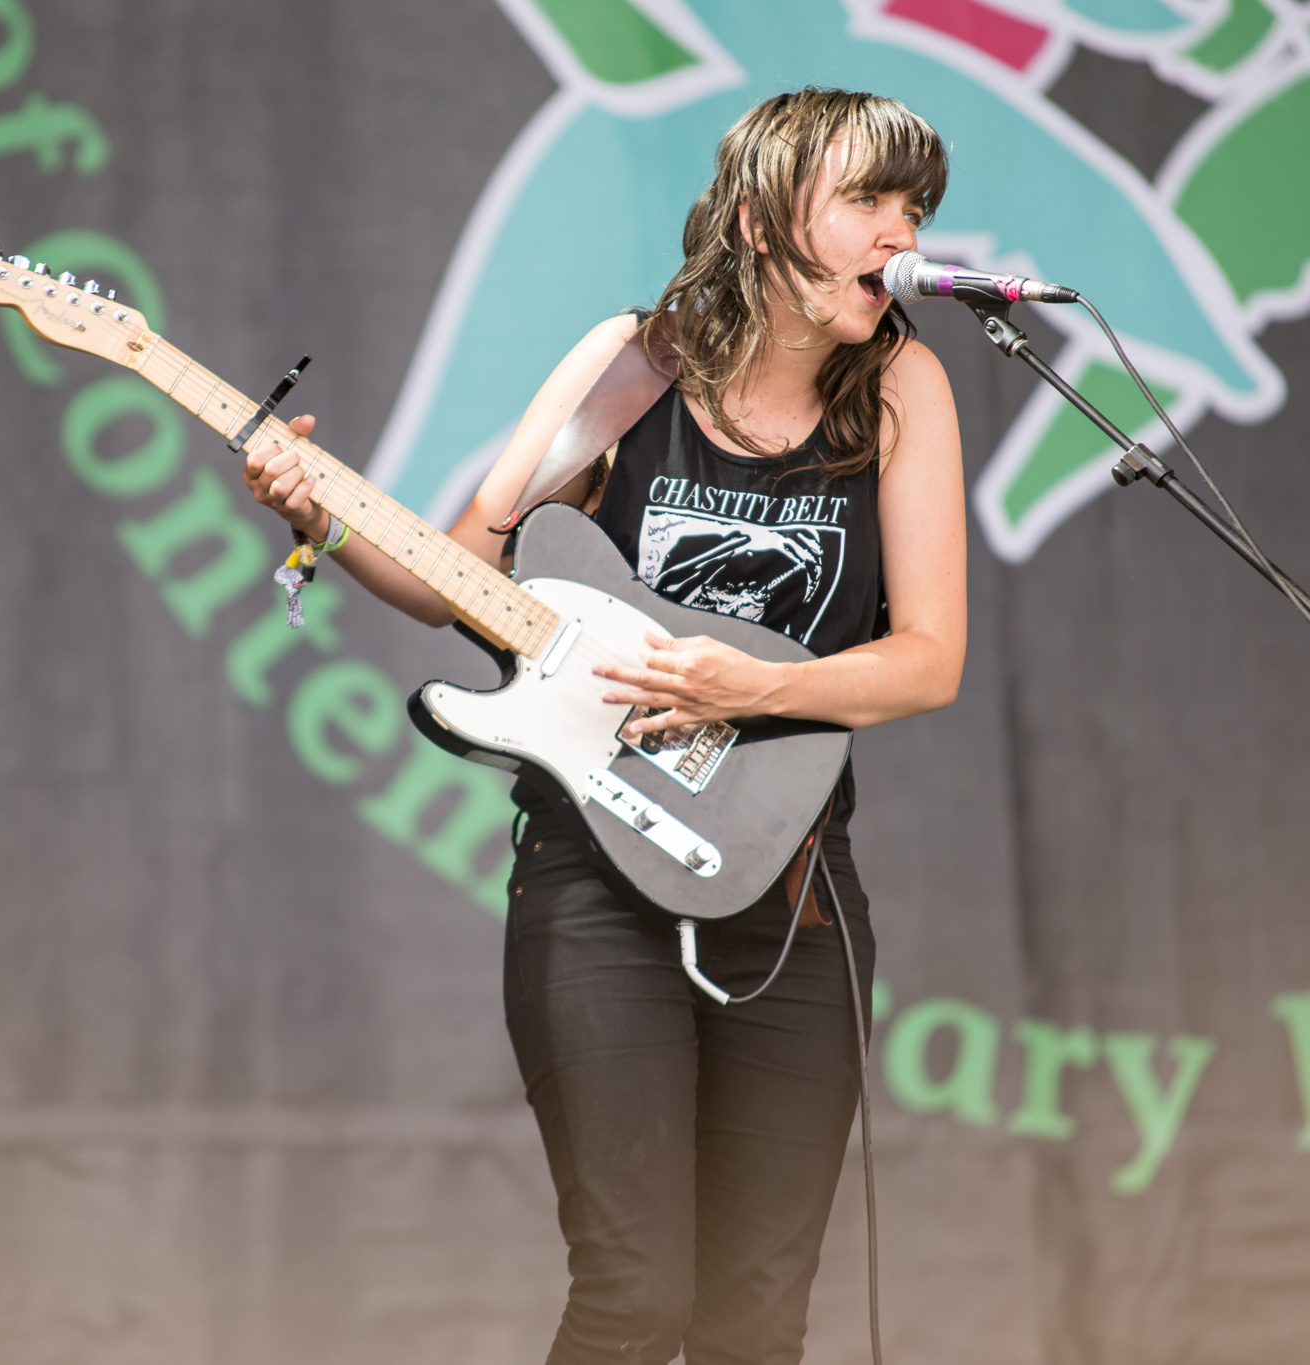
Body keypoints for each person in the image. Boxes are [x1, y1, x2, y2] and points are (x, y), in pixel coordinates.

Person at [244, 87, 965, 1365]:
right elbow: (459, 579)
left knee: (755, 1316)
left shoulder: (904, 385)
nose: (897, 232)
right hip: (595, 886)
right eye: (864, 199)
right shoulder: (631, 368)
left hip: (791, 893)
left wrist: (757, 690)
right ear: (757, 218)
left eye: (911, 206)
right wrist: (324, 517)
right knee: (636, 1295)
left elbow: (924, 663)